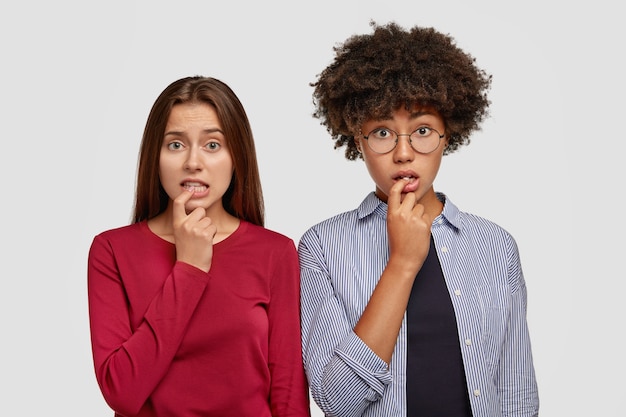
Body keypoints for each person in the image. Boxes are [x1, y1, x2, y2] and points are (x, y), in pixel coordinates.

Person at [298, 22, 539, 417]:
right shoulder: (322, 246)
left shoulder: (496, 247)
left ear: (449, 134)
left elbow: (516, 396)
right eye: (381, 132)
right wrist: (402, 263)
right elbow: (338, 402)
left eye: (422, 130)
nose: (404, 153)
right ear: (357, 140)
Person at [88, 76, 311, 417]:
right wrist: (189, 269)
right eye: (176, 145)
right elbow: (121, 392)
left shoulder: (275, 253)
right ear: (155, 155)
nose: (193, 162)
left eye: (212, 145)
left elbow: (288, 395)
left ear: (237, 156)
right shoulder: (112, 251)